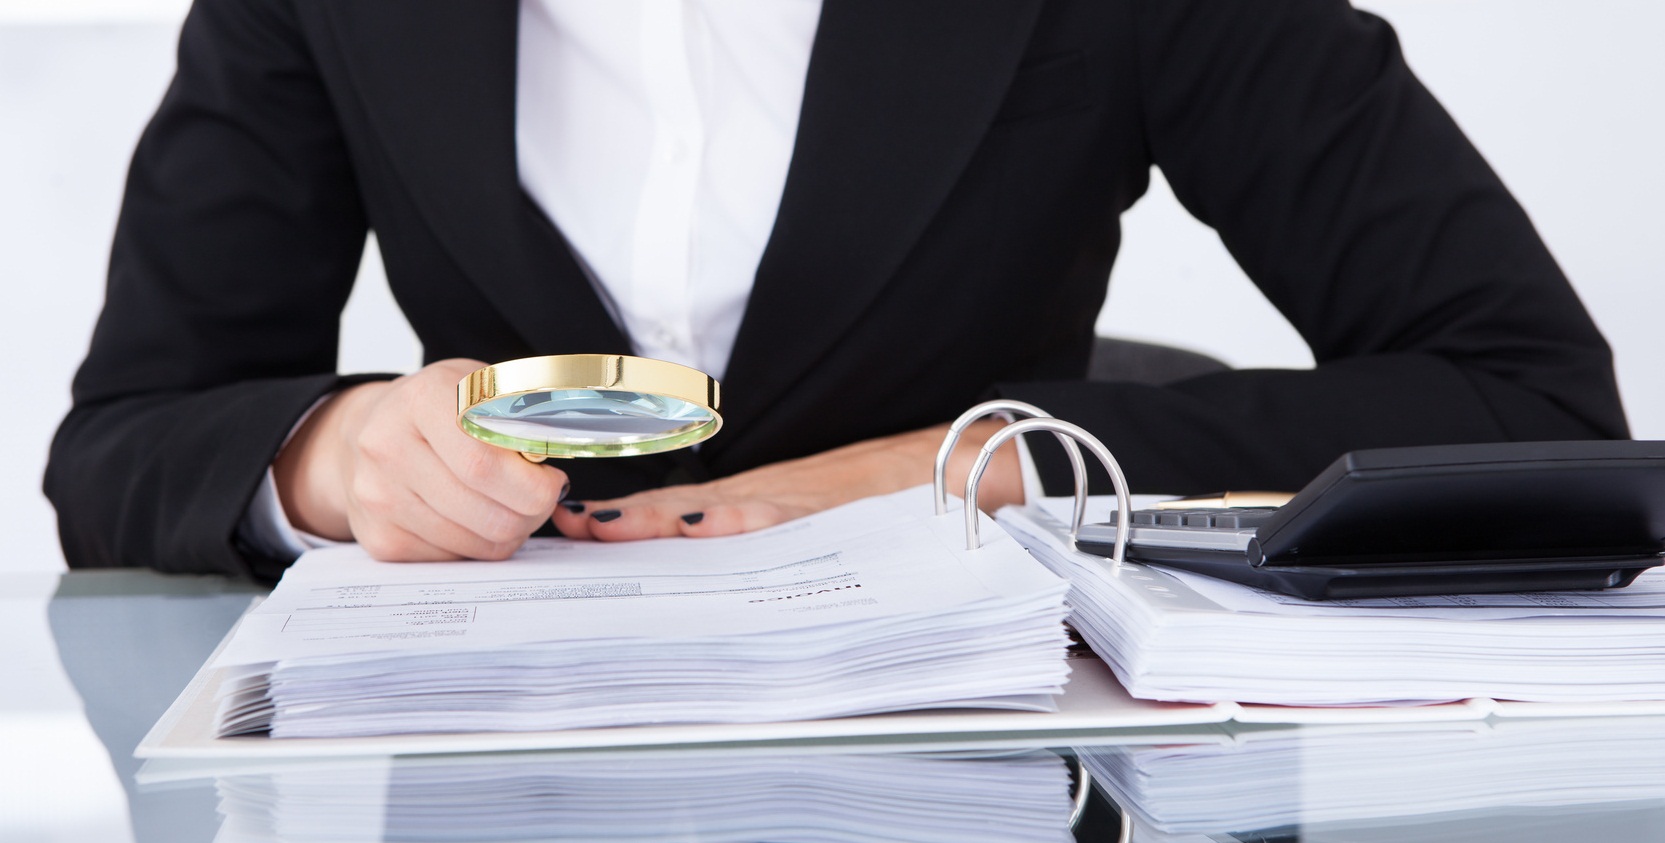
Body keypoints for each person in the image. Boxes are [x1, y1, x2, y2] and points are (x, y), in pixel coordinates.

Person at [46, 0, 1627, 581]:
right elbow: (126, 439)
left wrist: (957, 463)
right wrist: (336, 455)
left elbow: (1523, 392)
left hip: (1000, 766)